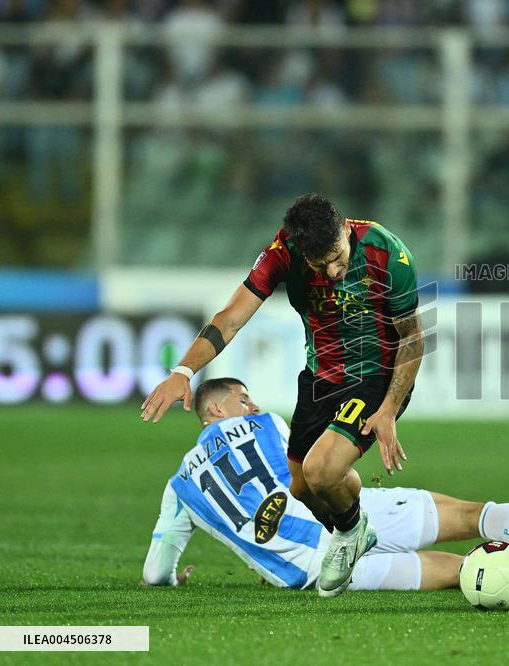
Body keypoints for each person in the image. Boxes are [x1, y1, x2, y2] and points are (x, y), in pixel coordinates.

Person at [141, 194, 426, 597]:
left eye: (335, 256)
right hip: (320, 376)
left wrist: (389, 410)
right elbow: (230, 319)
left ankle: (353, 532)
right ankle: (353, 529)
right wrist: (183, 371)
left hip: (375, 376)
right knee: (302, 487)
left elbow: (412, 339)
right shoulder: (281, 255)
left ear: (346, 228)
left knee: (322, 470)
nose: (331, 271)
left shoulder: (387, 253)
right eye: (318, 264)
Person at [142, 378, 509, 595]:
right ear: (215, 409)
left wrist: (171, 580)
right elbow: (311, 475)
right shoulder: (268, 423)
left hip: (310, 567)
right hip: (343, 519)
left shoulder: (178, 486)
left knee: (459, 568)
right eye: (242, 400)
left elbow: (155, 569)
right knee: (470, 517)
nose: (251, 406)